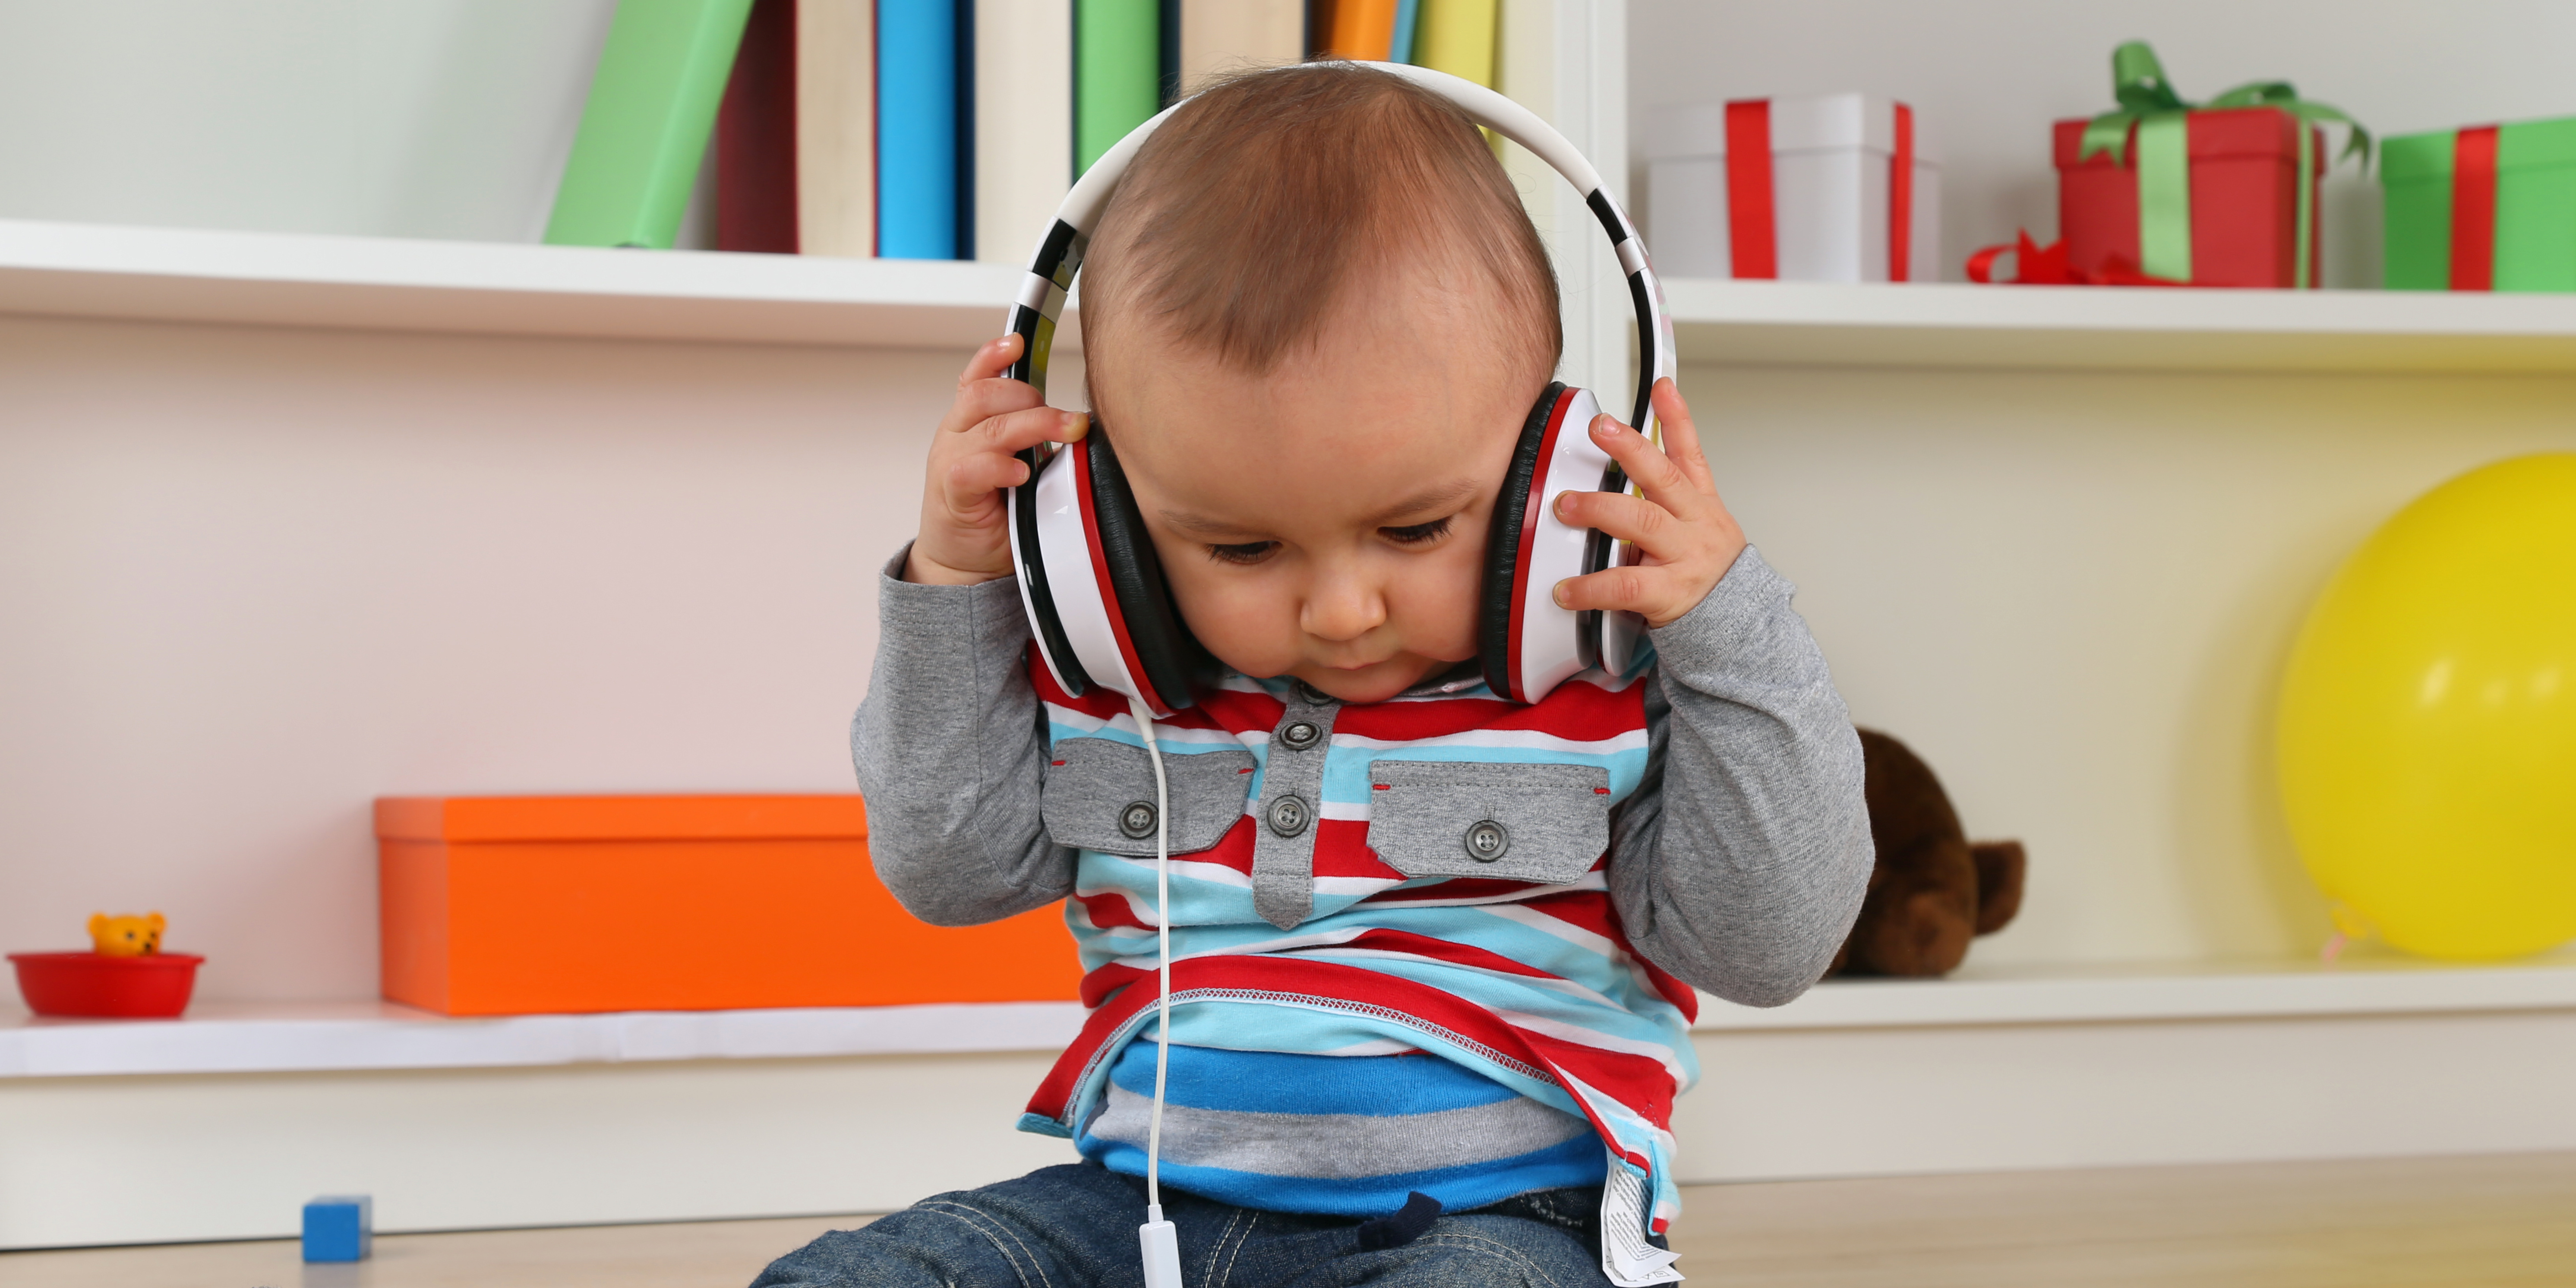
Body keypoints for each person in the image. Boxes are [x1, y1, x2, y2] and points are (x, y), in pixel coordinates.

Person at [755, 62, 1871, 1288]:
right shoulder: (1119, 680)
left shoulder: (1610, 693)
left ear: (1538, 487)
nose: (1342, 612)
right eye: (1241, 546)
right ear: (1104, 526)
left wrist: (1730, 626)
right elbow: (949, 873)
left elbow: (1770, 947)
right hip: (1136, 1213)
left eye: (1414, 530)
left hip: (1495, 1227)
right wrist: (959, 587)